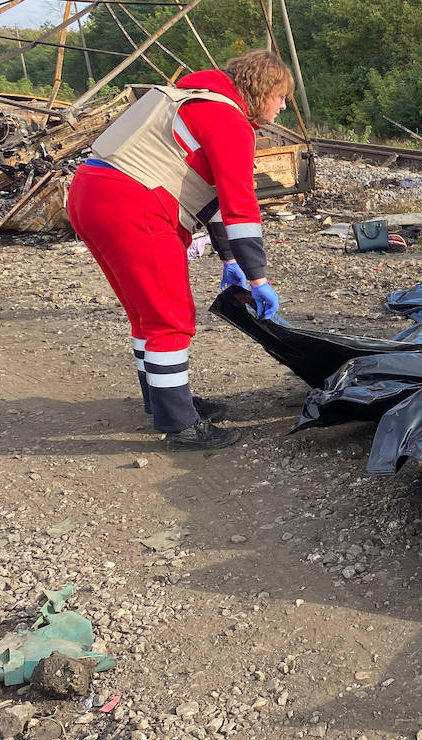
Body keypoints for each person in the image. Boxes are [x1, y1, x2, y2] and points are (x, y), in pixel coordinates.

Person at [66, 50, 292, 451]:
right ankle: (181, 426)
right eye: (280, 95)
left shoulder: (190, 99)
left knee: (145, 312)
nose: (284, 104)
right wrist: (258, 277)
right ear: (260, 91)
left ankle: (165, 401)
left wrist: (228, 259)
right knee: (170, 317)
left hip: (90, 192)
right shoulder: (228, 120)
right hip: (133, 204)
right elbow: (241, 207)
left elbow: (214, 199)